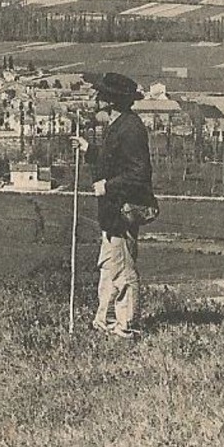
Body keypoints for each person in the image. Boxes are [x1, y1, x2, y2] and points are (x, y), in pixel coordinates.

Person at [73, 72, 159, 340]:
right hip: (113, 211)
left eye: (99, 96)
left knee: (123, 271)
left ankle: (126, 327)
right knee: (110, 267)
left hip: (123, 209)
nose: (95, 101)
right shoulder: (119, 125)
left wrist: (107, 186)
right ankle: (106, 321)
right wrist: (90, 150)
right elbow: (114, 162)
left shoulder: (130, 129)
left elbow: (138, 174)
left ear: (110, 102)